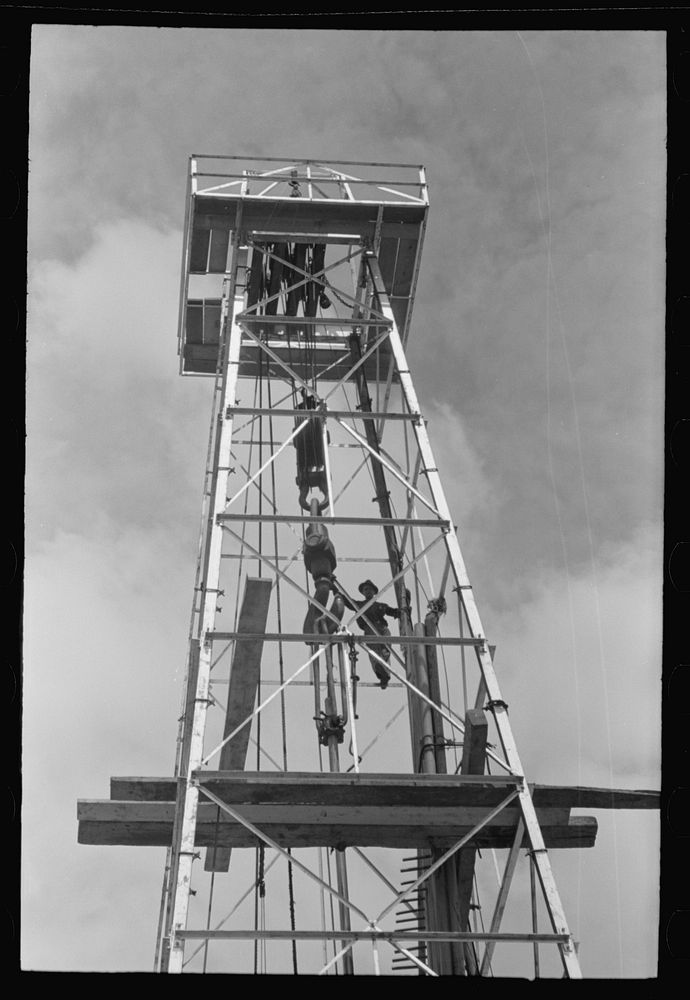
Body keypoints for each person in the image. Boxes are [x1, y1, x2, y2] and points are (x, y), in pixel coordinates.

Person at [335, 579, 400, 689]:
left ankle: (385, 673)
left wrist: (400, 612)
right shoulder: (359, 605)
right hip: (369, 629)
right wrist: (336, 591)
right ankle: (380, 672)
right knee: (373, 651)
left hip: (382, 628)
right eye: (365, 590)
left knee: (385, 648)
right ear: (363, 593)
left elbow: (391, 611)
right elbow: (348, 601)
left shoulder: (380, 606)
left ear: (374, 592)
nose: (368, 591)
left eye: (370, 589)